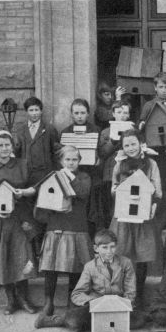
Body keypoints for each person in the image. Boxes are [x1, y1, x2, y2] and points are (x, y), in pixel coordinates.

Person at [0, 131, 38, 315]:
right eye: (0, 145)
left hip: (20, 219)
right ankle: (11, 300)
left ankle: (23, 298)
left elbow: (35, 188)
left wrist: (23, 192)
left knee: (22, 257)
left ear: (12, 147)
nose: (4, 149)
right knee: (4, 258)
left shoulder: (23, 165)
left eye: (7, 145)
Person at [34, 229, 146, 330]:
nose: (109, 251)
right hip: (95, 306)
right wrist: (92, 301)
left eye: (112, 247)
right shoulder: (90, 266)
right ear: (96, 249)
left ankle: (100, 324)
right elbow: (77, 294)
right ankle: (52, 320)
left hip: (118, 305)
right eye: (104, 247)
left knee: (139, 321)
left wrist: (123, 304)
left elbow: (130, 291)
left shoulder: (126, 263)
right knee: (75, 321)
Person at [37, 146, 94, 316]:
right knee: (50, 267)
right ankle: (49, 302)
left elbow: (83, 193)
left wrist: (70, 176)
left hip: (77, 226)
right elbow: (43, 195)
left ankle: (72, 300)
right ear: (61, 161)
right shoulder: (54, 177)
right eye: (67, 160)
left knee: (76, 266)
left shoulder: (84, 177)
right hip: (56, 225)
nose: (71, 163)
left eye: (74, 160)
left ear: (79, 161)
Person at [109, 129, 162, 307]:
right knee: (123, 254)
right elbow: (114, 186)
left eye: (133, 144)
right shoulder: (119, 164)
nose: (131, 148)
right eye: (127, 145)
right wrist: (116, 190)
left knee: (142, 256)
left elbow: (157, 189)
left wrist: (154, 203)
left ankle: (138, 295)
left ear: (141, 143)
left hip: (143, 217)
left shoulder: (151, 164)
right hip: (124, 217)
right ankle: (123, 293)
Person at [60, 99, 105, 235]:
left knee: (93, 209)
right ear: (72, 114)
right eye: (76, 113)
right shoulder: (65, 132)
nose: (79, 116)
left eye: (83, 113)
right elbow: (62, 156)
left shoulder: (96, 130)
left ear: (88, 114)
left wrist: (99, 160)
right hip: (72, 176)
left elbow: (102, 153)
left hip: (92, 174)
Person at [98, 101, 133, 221]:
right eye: (119, 112)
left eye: (125, 112)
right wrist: (112, 142)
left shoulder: (132, 130)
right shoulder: (105, 132)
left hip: (128, 172)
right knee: (111, 205)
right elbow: (102, 153)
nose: (122, 115)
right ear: (113, 113)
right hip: (110, 174)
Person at [13, 96, 60, 185]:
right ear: (26, 112)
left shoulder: (49, 129)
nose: (34, 113)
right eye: (31, 110)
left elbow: (56, 152)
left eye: (36, 110)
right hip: (27, 175)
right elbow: (17, 153)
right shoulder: (21, 130)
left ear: (41, 111)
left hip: (45, 174)